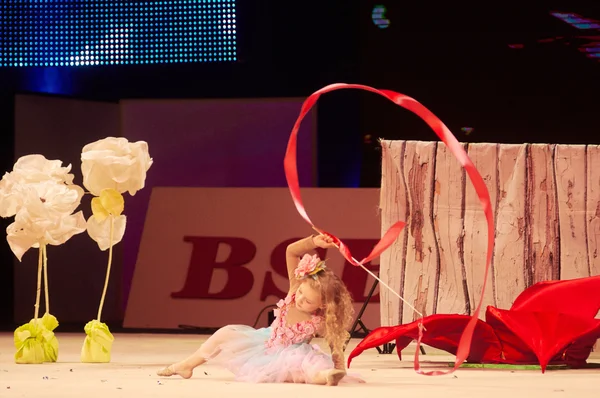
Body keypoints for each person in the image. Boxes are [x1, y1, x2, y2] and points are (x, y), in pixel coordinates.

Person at [156, 234, 361, 385]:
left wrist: (339, 368)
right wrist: (314, 242)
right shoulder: (295, 288)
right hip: (264, 341)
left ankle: (326, 376)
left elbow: (335, 345)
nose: (299, 300)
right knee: (225, 333)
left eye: (307, 301)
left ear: (323, 305)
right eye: (300, 295)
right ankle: (186, 365)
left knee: (304, 364)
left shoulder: (319, 322)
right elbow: (291, 251)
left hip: (288, 353)